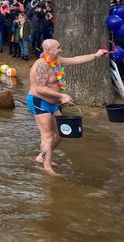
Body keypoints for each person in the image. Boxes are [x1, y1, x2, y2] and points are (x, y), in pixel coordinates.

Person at [27, 39, 107, 175]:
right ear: (48, 51)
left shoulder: (56, 61)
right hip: (39, 102)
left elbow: (76, 59)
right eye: (58, 48)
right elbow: (39, 88)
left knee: (60, 133)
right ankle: (48, 169)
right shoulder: (41, 66)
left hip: (53, 103)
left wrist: (96, 55)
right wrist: (61, 96)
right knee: (47, 136)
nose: (61, 50)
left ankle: (42, 157)